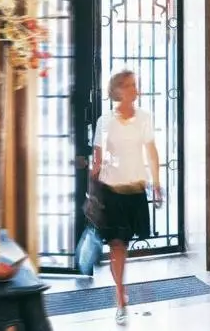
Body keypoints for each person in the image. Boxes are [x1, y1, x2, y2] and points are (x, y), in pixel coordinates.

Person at [92, 70, 163, 326]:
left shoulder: (144, 118)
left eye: (135, 84)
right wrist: (92, 188)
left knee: (126, 244)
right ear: (117, 90)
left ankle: (121, 289)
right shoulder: (105, 121)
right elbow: (97, 160)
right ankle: (120, 297)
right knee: (117, 245)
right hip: (112, 192)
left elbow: (151, 152)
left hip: (135, 189)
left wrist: (157, 183)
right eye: (129, 85)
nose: (134, 89)